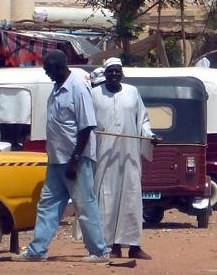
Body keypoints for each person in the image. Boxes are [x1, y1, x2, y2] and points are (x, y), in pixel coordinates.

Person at [11, 49, 110, 263]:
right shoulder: (56, 89)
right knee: (47, 204)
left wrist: (74, 160)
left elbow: (87, 127)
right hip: (56, 160)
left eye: (47, 69)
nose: (46, 73)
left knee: (85, 205)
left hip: (76, 160)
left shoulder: (78, 89)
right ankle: (37, 250)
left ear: (58, 66)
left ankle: (99, 251)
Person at [91, 57, 161, 260]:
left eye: (117, 71)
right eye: (110, 71)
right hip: (104, 156)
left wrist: (150, 137)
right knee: (107, 199)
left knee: (131, 199)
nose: (114, 74)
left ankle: (134, 246)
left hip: (129, 155)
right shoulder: (95, 94)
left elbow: (143, 120)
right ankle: (111, 245)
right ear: (105, 73)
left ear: (122, 73)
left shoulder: (132, 92)